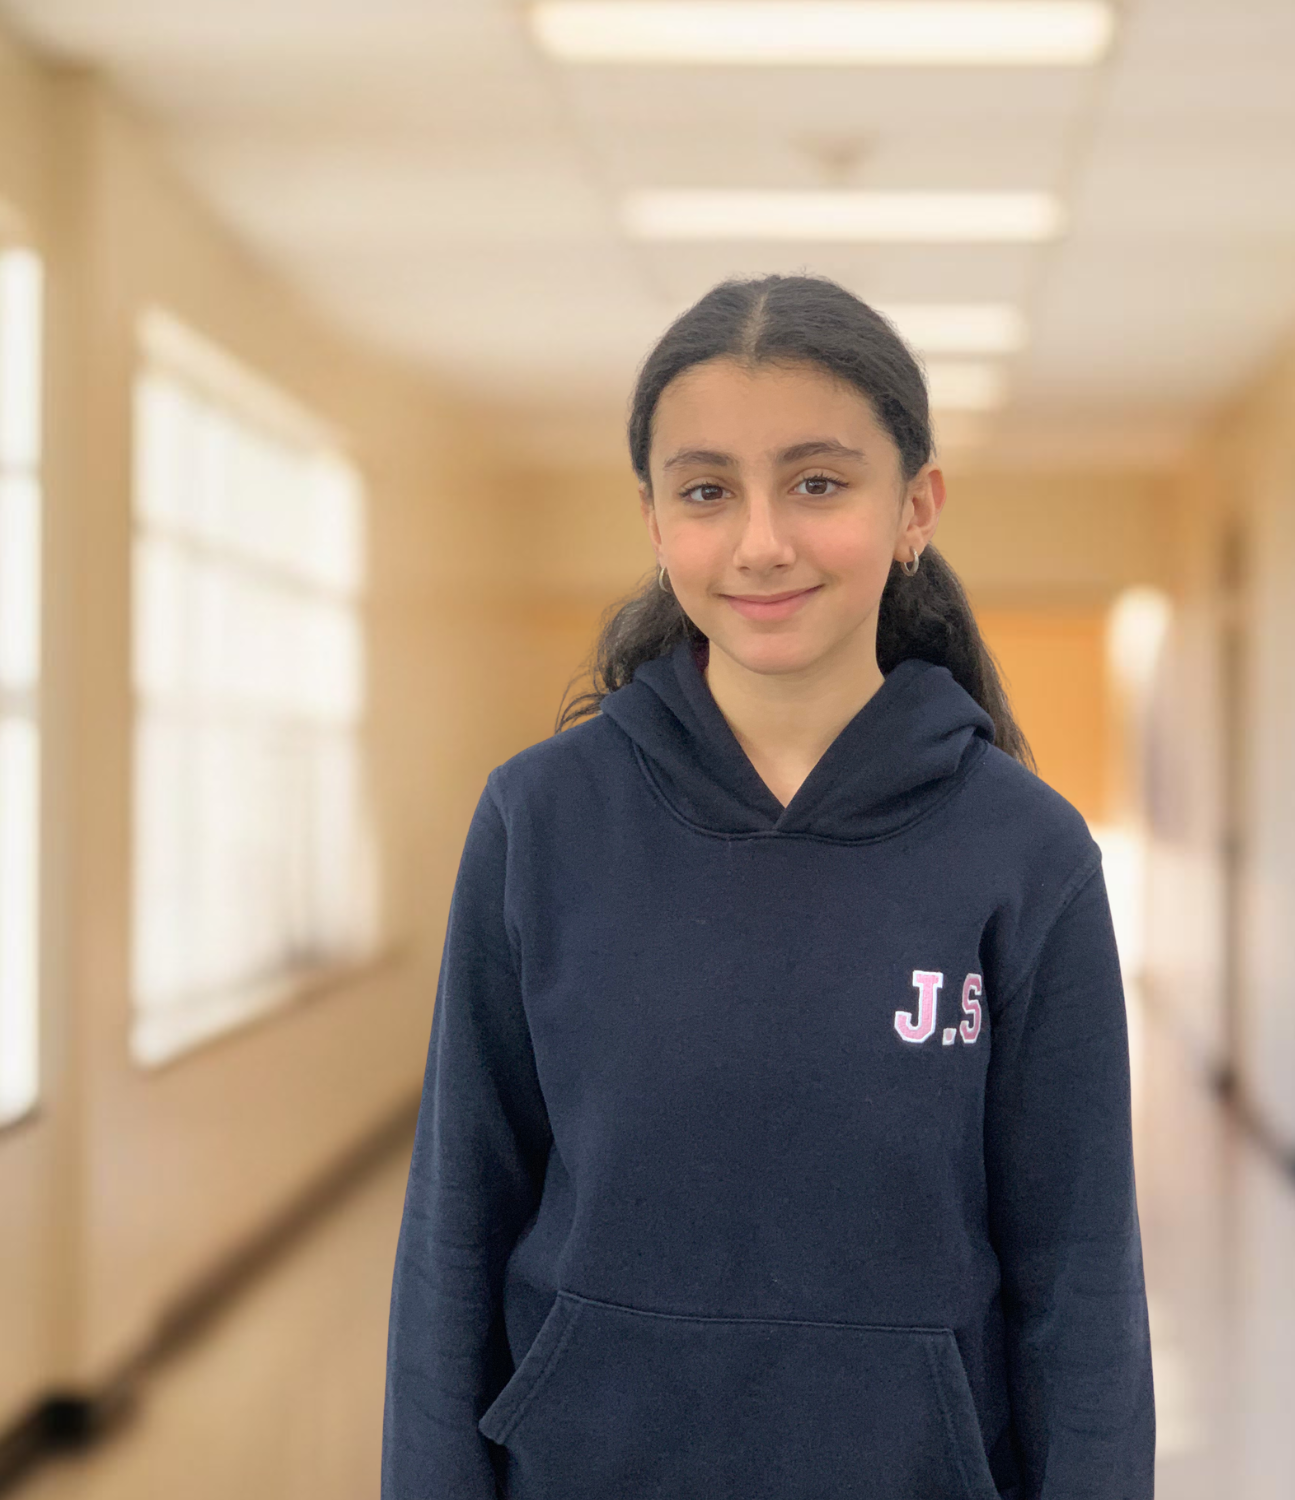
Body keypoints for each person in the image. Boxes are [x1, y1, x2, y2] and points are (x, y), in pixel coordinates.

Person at [380, 272, 1156, 1499]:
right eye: (707, 491)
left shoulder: (1026, 853)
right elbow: (454, 1233)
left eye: (817, 483)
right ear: (654, 521)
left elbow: (1085, 1282)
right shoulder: (541, 821)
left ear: (915, 507)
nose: (760, 542)